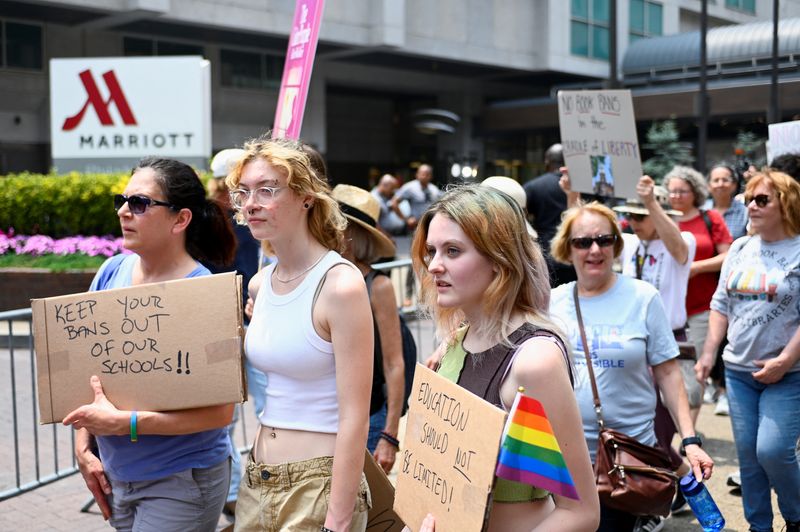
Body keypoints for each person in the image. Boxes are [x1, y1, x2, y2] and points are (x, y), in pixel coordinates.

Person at [411, 185, 600, 531]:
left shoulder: (534, 361)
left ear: (499, 260)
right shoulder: (453, 344)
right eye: (432, 251)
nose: (435, 266)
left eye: (453, 251)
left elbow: (582, 512)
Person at [64, 157, 238, 531]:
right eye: (121, 201)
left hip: (181, 480)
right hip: (116, 476)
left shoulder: (204, 292)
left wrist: (125, 423)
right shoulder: (111, 271)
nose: (124, 212)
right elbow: (87, 374)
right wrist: (83, 448)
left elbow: (220, 414)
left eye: (140, 203)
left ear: (181, 219)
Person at [226, 136, 373, 531]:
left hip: (318, 487)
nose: (251, 203)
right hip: (257, 481)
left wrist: (337, 521)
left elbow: (356, 415)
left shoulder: (340, 284)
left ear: (307, 196)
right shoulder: (260, 284)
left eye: (267, 190)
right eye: (244, 192)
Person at [549, 202, 714, 532]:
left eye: (604, 240)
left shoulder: (643, 297)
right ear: (567, 249)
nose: (594, 249)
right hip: (564, 457)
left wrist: (690, 439)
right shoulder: (552, 301)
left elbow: (668, 374)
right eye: (583, 242)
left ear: (616, 245)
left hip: (625, 460)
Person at [696, 171, 800, 532]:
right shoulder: (740, 247)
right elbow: (720, 303)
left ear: (785, 204)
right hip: (738, 372)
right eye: (749, 199)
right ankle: (759, 527)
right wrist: (709, 354)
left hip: (788, 374)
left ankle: (797, 516)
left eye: (761, 200)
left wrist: (786, 359)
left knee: (772, 451)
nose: (750, 206)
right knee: (750, 462)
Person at [613, 176, 699, 515]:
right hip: (633, 342)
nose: (633, 222)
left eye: (640, 216)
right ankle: (678, 486)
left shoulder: (684, 239)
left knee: (660, 429)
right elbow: (589, 238)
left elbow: (678, 250)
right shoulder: (631, 242)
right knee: (638, 428)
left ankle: (670, 490)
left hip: (669, 342)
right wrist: (573, 195)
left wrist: (651, 203)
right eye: (630, 217)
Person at [208, 148, 268, 521]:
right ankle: (244, 489)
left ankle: (234, 492)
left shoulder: (209, 214)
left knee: (225, 414)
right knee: (267, 406)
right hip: (245, 315)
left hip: (228, 317)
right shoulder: (235, 214)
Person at [331, 184, 405, 475]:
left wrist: (390, 435)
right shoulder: (315, 277)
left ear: (353, 234)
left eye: (336, 224)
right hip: (320, 421)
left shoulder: (378, 286)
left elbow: (394, 363)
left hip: (368, 420)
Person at [666, 166, 733, 419]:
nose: (676, 197)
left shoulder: (710, 218)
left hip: (701, 307)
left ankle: (688, 433)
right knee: (667, 368)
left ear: (694, 192)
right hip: (666, 308)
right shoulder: (661, 219)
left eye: (682, 191)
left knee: (695, 372)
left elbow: (728, 255)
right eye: (672, 192)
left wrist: (695, 268)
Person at [523, 143, 577, 287]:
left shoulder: (533, 187)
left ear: (547, 162)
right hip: (577, 252)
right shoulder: (581, 186)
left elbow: (520, 218)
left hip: (546, 256)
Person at [390, 164, 441, 232]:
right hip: (416, 226)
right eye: (422, 173)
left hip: (432, 225)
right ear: (417, 174)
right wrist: (406, 220)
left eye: (427, 174)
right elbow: (394, 203)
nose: (424, 176)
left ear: (431, 176)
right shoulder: (410, 187)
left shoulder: (434, 189)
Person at [708, 164, 749, 240]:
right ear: (709, 186)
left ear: (734, 185)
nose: (720, 184)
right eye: (716, 180)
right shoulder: (701, 210)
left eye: (725, 180)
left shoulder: (745, 213)